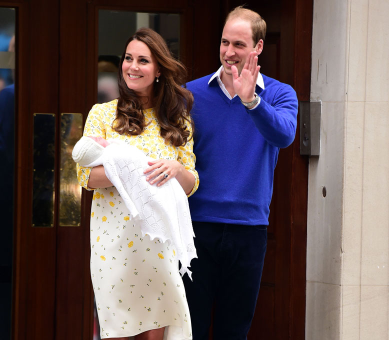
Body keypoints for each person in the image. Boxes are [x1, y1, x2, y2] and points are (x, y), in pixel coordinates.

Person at [183, 6, 298, 340]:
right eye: (224, 42)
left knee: (234, 331)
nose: (229, 52)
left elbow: (285, 135)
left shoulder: (277, 94)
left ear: (258, 48)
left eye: (239, 44)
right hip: (195, 228)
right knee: (190, 329)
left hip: (249, 231)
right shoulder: (190, 94)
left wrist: (252, 103)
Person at [76, 27, 199, 340]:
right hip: (113, 248)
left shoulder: (176, 118)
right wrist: (132, 169)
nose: (132, 66)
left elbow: (190, 182)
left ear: (158, 69)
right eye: (128, 58)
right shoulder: (102, 115)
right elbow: (86, 177)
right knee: (116, 332)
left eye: (142, 60)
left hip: (159, 247)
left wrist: (174, 168)